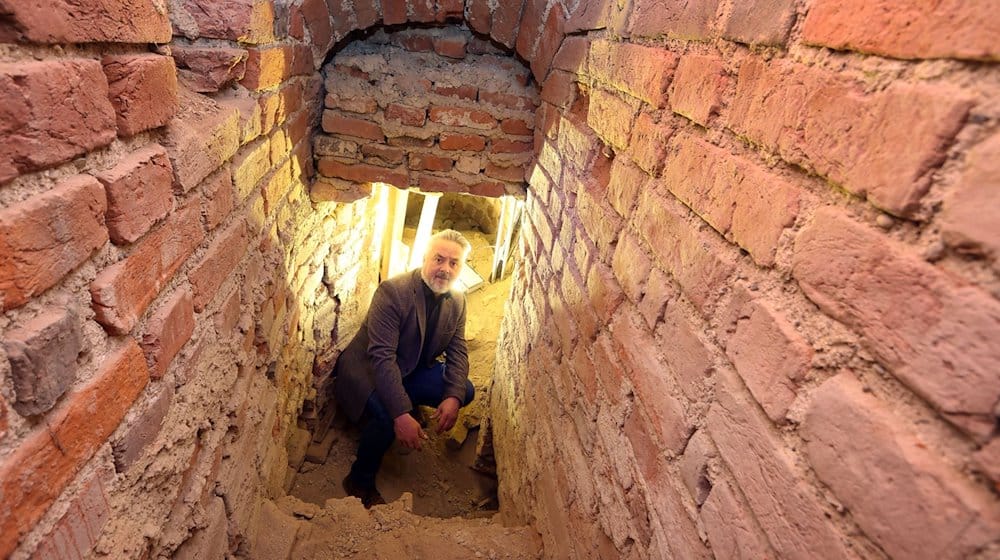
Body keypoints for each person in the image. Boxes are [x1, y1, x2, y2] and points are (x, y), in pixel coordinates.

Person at [333, 229, 475, 508]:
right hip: (368, 370)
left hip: (410, 368)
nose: (445, 269)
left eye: (454, 263)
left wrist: (454, 397)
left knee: (464, 389)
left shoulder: (458, 300)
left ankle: (407, 404)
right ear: (424, 258)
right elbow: (382, 358)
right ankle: (359, 480)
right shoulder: (393, 292)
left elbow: (458, 348)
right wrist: (401, 413)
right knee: (389, 417)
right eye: (439, 259)